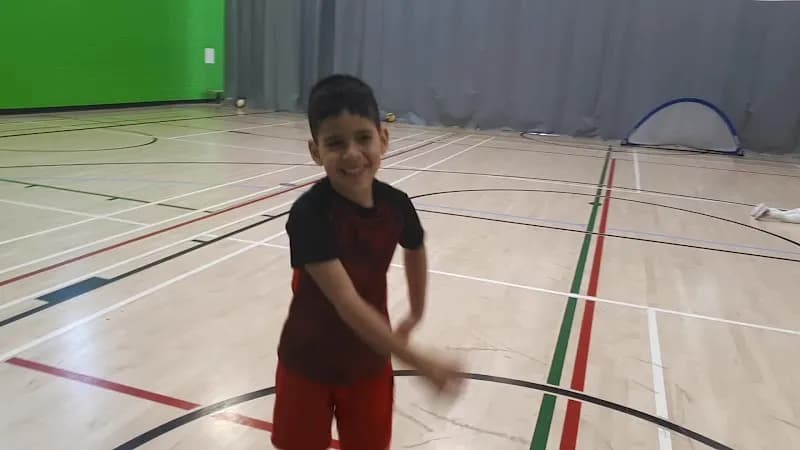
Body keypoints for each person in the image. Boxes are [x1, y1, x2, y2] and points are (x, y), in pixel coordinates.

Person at [271, 74, 463, 450]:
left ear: (384, 139)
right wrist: (418, 360)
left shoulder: (397, 205)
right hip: (306, 362)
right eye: (335, 143)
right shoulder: (309, 215)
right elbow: (347, 304)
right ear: (315, 151)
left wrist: (416, 313)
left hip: (369, 365)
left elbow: (415, 247)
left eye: (363, 138)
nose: (352, 154)